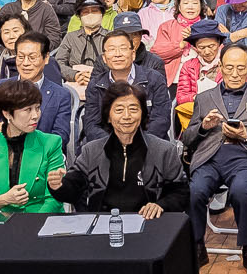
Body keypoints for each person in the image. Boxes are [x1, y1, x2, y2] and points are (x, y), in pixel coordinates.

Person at [182, 43, 247, 274]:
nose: (235, 74)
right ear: (220, 68)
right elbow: (187, 137)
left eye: (240, 68)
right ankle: (198, 245)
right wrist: (204, 127)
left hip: (244, 157)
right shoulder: (205, 98)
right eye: (229, 68)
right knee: (195, 191)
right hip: (210, 157)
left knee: (240, 191)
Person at [68, 84, 189, 218]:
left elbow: (181, 192)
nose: (127, 116)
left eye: (133, 109)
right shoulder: (91, 151)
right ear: (108, 116)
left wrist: (161, 205)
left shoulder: (164, 150)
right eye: (119, 110)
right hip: (103, 225)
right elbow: (73, 188)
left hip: (149, 223)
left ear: (142, 113)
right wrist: (58, 185)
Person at [0, 78, 68, 215]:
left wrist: (29, 227)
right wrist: (4, 199)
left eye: (37, 108)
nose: (35, 116)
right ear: (7, 113)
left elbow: (54, 200)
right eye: (28, 110)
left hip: (39, 219)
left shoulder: (51, 143)